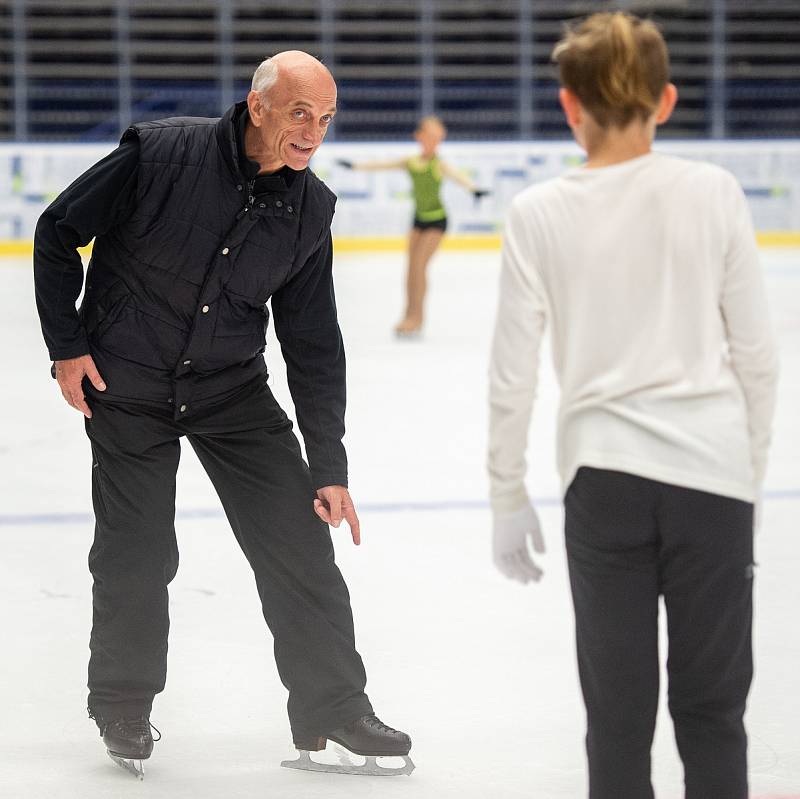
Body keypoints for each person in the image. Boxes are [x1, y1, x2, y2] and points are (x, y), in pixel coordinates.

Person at [33, 51, 413, 779]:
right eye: (300, 112)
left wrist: (328, 465)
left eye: (327, 119)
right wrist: (67, 346)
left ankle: (333, 706)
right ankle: (123, 702)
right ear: (259, 104)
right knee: (138, 548)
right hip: (127, 381)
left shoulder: (310, 209)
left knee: (298, 539)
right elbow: (56, 233)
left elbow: (313, 343)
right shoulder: (162, 153)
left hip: (228, 389)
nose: (313, 133)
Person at [488, 12, 778, 799]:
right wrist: (745, 475)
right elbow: (755, 353)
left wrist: (507, 494)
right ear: (668, 99)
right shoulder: (714, 192)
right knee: (714, 712)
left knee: (616, 719)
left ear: (568, 105)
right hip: (712, 477)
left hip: (604, 480)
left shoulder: (538, 212)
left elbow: (511, 372)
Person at [338, 116, 489, 336]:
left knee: (419, 267)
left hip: (437, 220)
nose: (433, 141)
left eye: (437, 137)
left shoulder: (439, 164)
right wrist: (355, 166)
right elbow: (382, 166)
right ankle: (408, 315)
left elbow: (459, 177)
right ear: (419, 137)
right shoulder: (411, 162)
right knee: (410, 270)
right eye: (429, 136)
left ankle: (417, 318)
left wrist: (474, 189)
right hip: (418, 220)